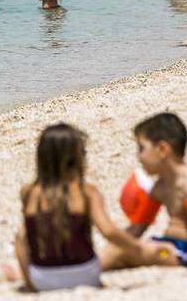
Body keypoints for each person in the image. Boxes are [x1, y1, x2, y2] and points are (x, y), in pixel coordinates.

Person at [11, 124, 169, 292]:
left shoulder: (28, 192)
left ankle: (30, 285)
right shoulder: (87, 192)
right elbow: (109, 231)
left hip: (43, 279)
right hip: (85, 273)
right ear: (76, 158)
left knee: (21, 235)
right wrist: (139, 248)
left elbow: (27, 236)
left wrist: (32, 282)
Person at [101, 113, 187, 274]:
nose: (138, 157)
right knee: (122, 250)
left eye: (141, 149)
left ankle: (86, 272)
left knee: (133, 250)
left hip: (183, 252)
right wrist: (117, 240)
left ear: (162, 149)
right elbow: (138, 227)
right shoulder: (160, 185)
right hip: (165, 246)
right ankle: (90, 268)